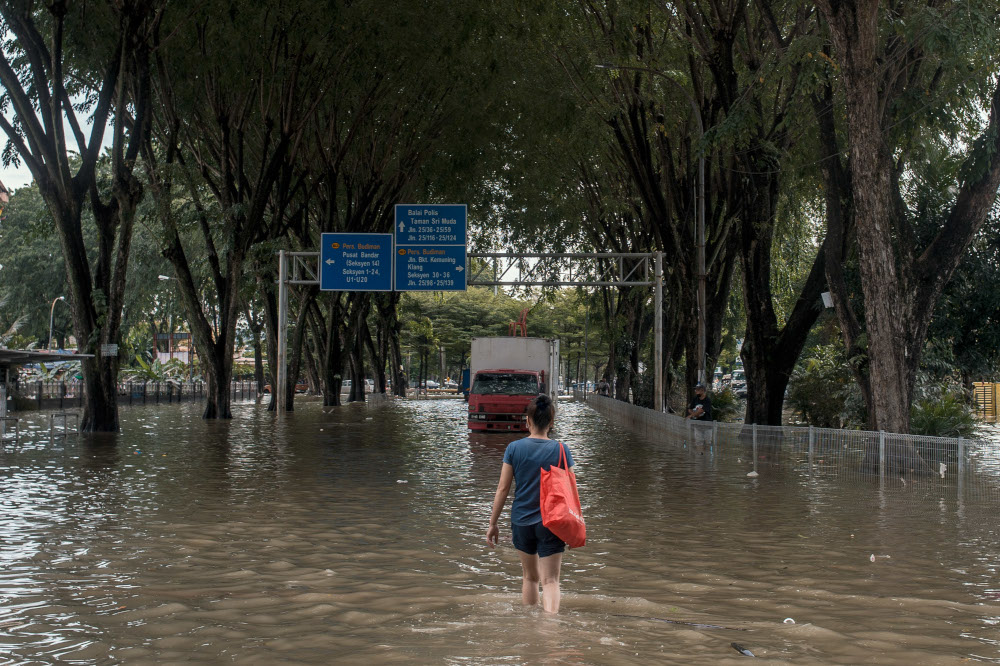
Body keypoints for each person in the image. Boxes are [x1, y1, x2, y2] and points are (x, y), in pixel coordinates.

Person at [486, 394, 574, 613]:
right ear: (551, 422)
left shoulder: (514, 449)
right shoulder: (561, 450)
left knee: (530, 578)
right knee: (551, 580)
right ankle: (551, 627)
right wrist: (573, 528)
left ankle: (529, 627)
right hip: (552, 522)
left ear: (527, 420)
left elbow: (503, 489)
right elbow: (571, 490)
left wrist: (493, 523)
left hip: (522, 522)